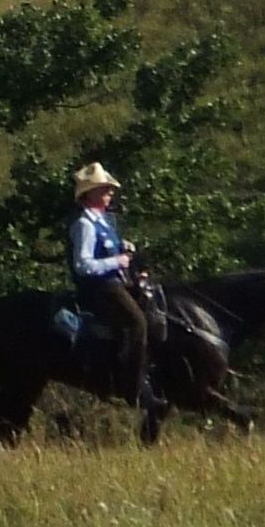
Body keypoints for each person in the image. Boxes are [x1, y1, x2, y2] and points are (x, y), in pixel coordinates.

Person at [68, 163, 165, 413]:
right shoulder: (84, 224)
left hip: (114, 281)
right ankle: (132, 388)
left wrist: (121, 248)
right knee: (137, 323)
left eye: (109, 189)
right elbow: (82, 264)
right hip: (100, 287)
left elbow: (106, 248)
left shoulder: (102, 220)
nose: (110, 193)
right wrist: (116, 261)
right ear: (89, 194)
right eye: (104, 189)